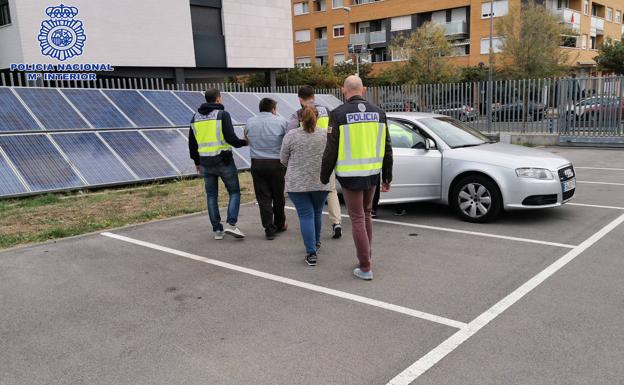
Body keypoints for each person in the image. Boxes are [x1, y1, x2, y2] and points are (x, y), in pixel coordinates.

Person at [321, 75, 393, 280]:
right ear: (363, 90)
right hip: (372, 174)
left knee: (358, 218)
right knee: (366, 214)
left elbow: (330, 150)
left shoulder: (338, 114)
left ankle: (365, 266)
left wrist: (324, 176)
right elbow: (388, 148)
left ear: (344, 90)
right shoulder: (379, 113)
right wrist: (387, 176)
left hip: (351, 176)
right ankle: (366, 256)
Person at [189, 88, 247, 240]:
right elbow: (230, 138)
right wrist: (244, 142)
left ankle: (217, 230)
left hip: (205, 162)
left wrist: (196, 162)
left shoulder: (195, 118)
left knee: (211, 196)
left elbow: (192, 143)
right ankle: (231, 224)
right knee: (234, 192)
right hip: (224, 161)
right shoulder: (222, 115)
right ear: (218, 99)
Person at [288, 85, 343, 240]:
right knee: (331, 189)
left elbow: (289, 133)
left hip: (306, 160)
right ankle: (336, 222)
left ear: (300, 99)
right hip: (327, 157)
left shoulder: (298, 113)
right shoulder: (327, 110)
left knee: (308, 193)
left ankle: (312, 228)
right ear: (314, 96)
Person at [281, 105, 333, 266]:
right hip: (321, 182)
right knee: (317, 212)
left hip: (297, 184)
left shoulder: (291, 135)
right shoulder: (326, 135)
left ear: (300, 119)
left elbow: (283, 159)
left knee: (305, 215)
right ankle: (316, 243)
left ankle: (311, 252)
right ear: (317, 118)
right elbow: (332, 156)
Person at [245, 98, 289, 240]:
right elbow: (288, 140)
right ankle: (280, 224)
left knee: (263, 198)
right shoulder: (282, 121)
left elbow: (246, 139)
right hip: (276, 163)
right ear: (273, 109)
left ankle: (269, 228)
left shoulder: (250, 121)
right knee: (278, 196)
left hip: (257, 163)